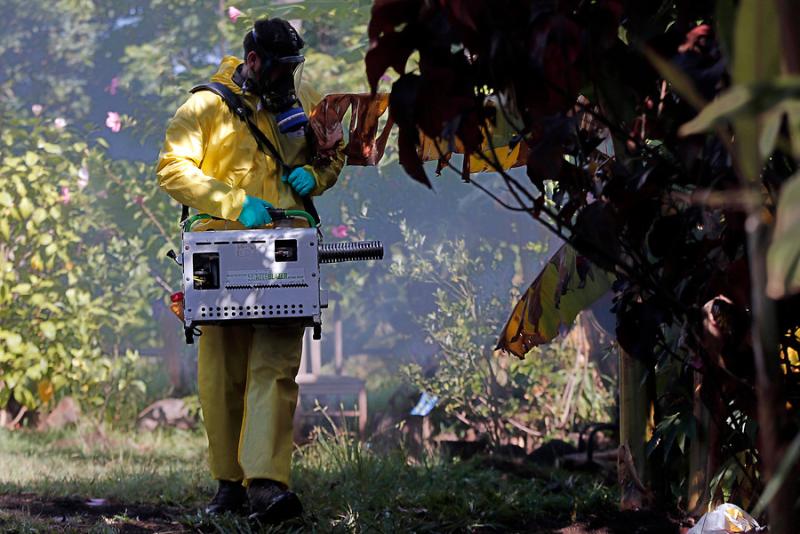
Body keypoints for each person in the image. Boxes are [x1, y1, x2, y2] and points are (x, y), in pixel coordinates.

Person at [156, 17, 344, 522]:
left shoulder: (296, 109)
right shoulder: (206, 105)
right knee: (221, 374)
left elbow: (334, 153)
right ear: (254, 60)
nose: (288, 79)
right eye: (280, 68)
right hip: (219, 252)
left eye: (293, 69)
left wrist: (318, 173)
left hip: (285, 252)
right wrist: (234, 203)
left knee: (276, 368)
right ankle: (228, 485)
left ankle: (267, 485)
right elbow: (172, 169)